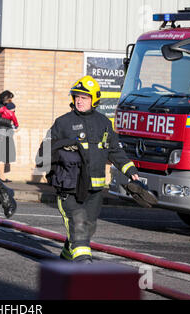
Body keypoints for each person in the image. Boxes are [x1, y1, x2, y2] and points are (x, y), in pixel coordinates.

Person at [40, 75, 139, 263]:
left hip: (95, 189)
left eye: (84, 97)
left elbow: (114, 150)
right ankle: (83, 262)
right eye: (77, 96)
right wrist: (53, 174)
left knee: (89, 225)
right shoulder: (63, 123)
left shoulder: (104, 123)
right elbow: (45, 151)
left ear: (94, 100)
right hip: (70, 188)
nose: (79, 100)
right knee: (78, 223)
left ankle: (68, 256)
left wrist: (131, 171)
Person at [0, 90, 17, 182]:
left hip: (7, 132)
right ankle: (1, 176)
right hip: (1, 132)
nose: (10, 100)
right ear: (4, 99)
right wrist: (9, 123)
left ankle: (0, 176)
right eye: (9, 98)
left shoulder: (8, 107)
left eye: (11, 98)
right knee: (1, 155)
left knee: (5, 155)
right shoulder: (0, 107)